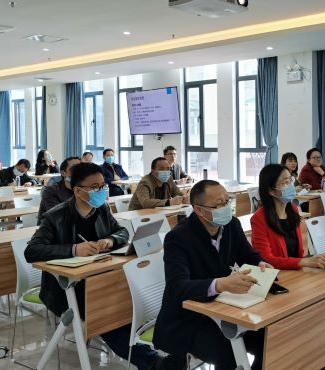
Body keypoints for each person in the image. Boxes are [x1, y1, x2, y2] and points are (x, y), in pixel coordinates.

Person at [25, 163, 170, 370]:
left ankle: (161, 350)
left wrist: (110, 240)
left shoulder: (101, 209)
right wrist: (74, 249)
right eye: (95, 187)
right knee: (107, 312)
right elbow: (32, 251)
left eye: (103, 186)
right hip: (67, 289)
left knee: (131, 302)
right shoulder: (55, 216)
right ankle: (152, 361)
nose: (101, 191)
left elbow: (122, 232)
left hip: (102, 277)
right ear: (77, 190)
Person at [153, 180, 269, 370]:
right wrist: (220, 284)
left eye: (227, 201)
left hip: (224, 309)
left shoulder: (232, 224)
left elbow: (248, 255)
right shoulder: (178, 238)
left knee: (268, 339)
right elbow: (177, 287)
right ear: (199, 210)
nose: (226, 208)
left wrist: (260, 263)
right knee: (229, 355)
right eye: (219, 205)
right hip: (188, 319)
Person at [251, 164, 325, 270]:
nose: (290, 186)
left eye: (290, 180)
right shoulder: (259, 219)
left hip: (296, 271)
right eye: (285, 182)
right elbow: (266, 260)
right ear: (271, 191)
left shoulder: (293, 210)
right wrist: (304, 262)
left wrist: (306, 262)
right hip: (277, 274)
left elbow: (298, 253)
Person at [37, 156, 80, 224]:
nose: (79, 172)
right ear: (63, 173)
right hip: (53, 228)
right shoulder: (50, 191)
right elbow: (57, 217)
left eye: (81, 168)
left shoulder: (84, 189)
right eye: (74, 168)